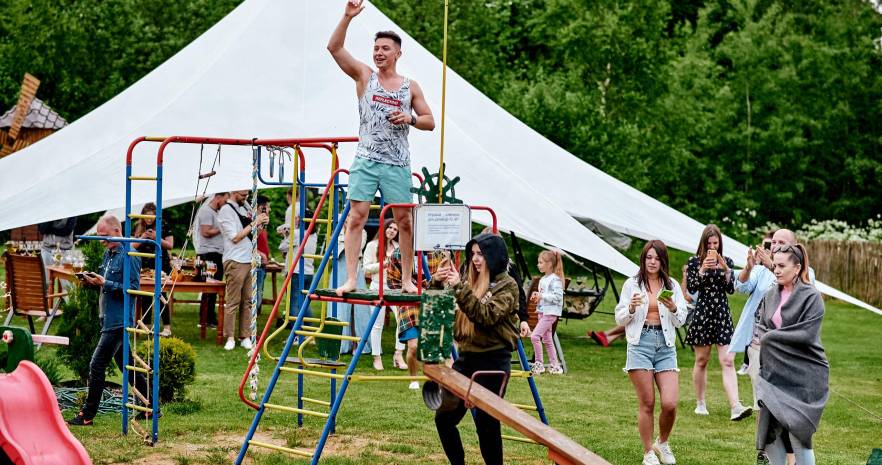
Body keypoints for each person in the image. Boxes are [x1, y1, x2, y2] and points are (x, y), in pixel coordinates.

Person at [328, 0, 435, 296]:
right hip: (366, 158)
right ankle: (351, 278)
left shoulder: (409, 86)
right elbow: (334, 49)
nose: (379, 53)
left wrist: (410, 118)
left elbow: (430, 121)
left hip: (397, 162)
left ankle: (408, 278)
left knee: (404, 220)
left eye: (385, 48)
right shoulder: (365, 76)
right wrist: (347, 17)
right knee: (356, 217)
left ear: (398, 53)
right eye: (376, 48)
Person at [431, 233, 520, 465]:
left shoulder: (507, 285)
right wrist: (437, 282)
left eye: (481, 254)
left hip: (493, 362)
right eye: (473, 254)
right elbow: (435, 309)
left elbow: (486, 316)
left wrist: (459, 287)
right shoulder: (468, 280)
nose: (476, 259)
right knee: (444, 418)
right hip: (466, 359)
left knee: (487, 423)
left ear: (494, 255)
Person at [67, 215, 149, 426]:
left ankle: (87, 414)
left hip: (119, 319)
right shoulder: (108, 253)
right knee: (126, 364)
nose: (101, 240)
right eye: (99, 236)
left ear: (116, 231)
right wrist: (94, 281)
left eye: (104, 236)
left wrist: (107, 283)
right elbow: (106, 282)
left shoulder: (130, 255)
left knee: (97, 364)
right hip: (107, 317)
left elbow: (132, 291)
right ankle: (151, 406)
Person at [615, 240, 689, 465]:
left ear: (663, 260)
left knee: (670, 403)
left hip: (665, 345)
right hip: (640, 344)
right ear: (643, 259)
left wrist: (674, 307)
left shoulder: (673, 285)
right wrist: (631, 308)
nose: (652, 262)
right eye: (649, 257)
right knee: (647, 402)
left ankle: (662, 442)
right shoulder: (632, 285)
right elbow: (619, 318)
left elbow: (681, 320)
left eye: (657, 258)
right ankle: (648, 452)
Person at [755, 244, 827, 465]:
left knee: (799, 435)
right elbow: (760, 326)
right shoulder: (770, 295)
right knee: (771, 436)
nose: (776, 270)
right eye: (774, 265)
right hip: (773, 375)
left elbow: (806, 334)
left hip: (803, 377)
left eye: (781, 266)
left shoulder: (812, 297)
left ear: (797, 268)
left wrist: (769, 338)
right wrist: (767, 338)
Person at [685, 224, 751, 421]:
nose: (713, 247)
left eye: (716, 243)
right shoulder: (694, 261)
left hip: (721, 314)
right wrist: (703, 269)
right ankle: (700, 403)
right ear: (703, 244)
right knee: (701, 360)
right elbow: (691, 288)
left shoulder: (727, 262)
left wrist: (727, 270)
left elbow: (731, 289)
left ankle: (735, 407)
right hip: (703, 314)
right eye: (709, 243)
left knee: (728, 360)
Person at [218, 190, 268, 351]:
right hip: (235, 259)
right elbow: (235, 237)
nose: (245, 198)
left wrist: (260, 225)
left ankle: (245, 336)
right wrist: (255, 222)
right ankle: (230, 337)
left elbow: (251, 235)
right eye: (242, 195)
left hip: (249, 258)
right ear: (233, 192)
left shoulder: (244, 207)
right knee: (233, 301)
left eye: (247, 195)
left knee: (248, 301)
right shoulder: (226, 210)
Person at [362, 220, 405, 370]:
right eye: (390, 227)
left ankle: (398, 354)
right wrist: (383, 265)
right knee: (377, 324)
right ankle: (376, 357)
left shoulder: (398, 247)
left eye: (395, 229)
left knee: (402, 320)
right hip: (376, 286)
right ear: (384, 228)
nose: (392, 231)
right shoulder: (372, 245)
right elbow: (365, 269)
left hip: (394, 288)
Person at [132, 203, 173, 337]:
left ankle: (167, 327)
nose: (149, 220)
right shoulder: (138, 227)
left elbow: (170, 245)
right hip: (144, 266)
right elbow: (132, 246)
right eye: (146, 217)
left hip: (161, 265)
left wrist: (156, 238)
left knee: (161, 295)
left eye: (151, 217)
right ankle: (147, 325)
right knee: (144, 295)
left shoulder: (164, 225)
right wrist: (143, 237)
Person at [194, 192, 229, 328]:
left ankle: (209, 317)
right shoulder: (206, 211)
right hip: (209, 254)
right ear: (218, 197)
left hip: (216, 254)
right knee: (209, 286)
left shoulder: (216, 212)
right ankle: (205, 319)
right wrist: (222, 227)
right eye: (225, 200)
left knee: (214, 287)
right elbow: (205, 232)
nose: (225, 203)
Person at [529, 250, 565, 375]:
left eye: (540, 262)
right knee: (547, 339)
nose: (538, 265)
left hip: (550, 313)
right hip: (542, 312)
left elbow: (558, 297)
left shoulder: (555, 280)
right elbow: (543, 295)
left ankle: (539, 364)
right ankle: (555, 366)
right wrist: (537, 297)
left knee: (534, 336)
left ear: (549, 264)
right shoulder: (543, 279)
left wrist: (542, 296)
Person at [254, 195, 272, 314]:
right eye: (268, 207)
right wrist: (261, 254)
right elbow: (250, 242)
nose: (269, 210)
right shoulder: (255, 222)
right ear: (261, 207)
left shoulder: (262, 222)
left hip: (262, 263)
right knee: (257, 292)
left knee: (260, 290)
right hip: (257, 263)